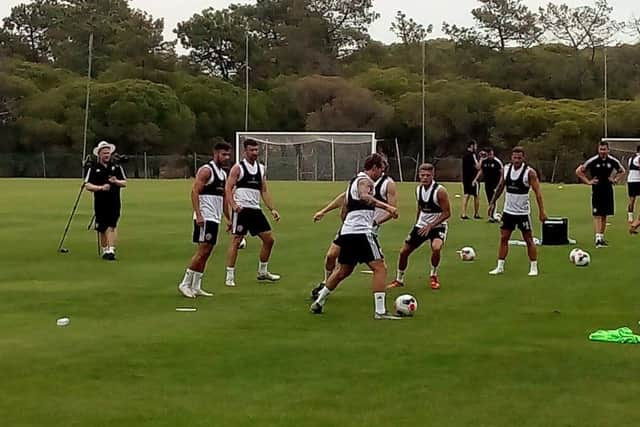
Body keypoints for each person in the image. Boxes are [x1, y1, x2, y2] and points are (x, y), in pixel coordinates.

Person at [309, 153, 399, 319]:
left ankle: (319, 301)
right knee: (380, 268)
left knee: (344, 270)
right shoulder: (365, 181)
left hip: (347, 231)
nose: (382, 173)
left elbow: (346, 202)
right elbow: (365, 197)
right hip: (361, 232)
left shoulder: (354, 181)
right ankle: (380, 311)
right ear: (374, 168)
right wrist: (388, 208)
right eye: (381, 169)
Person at [177, 142, 232, 298]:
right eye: (223, 154)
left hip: (215, 218)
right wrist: (199, 214)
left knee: (207, 251)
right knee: (202, 251)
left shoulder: (223, 174)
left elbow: (223, 198)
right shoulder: (206, 171)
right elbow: (194, 192)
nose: (226, 157)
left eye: (228, 155)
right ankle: (185, 283)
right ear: (215, 153)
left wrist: (228, 219)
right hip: (205, 217)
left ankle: (196, 285)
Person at [224, 139, 281, 287]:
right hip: (242, 209)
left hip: (255, 209)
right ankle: (230, 275)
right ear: (245, 151)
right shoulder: (238, 168)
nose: (255, 153)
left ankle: (263, 271)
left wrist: (272, 209)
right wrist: (234, 206)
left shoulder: (261, 168)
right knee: (236, 240)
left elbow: (264, 190)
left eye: (256, 150)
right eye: (252, 150)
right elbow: (228, 188)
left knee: (269, 239)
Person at [387, 163, 451, 290]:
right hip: (421, 225)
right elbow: (420, 208)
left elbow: (447, 213)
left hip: (438, 225)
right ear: (419, 176)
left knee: (436, 248)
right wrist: (417, 224)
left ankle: (433, 275)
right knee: (404, 251)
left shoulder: (440, 191)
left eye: (428, 175)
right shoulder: (418, 190)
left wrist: (431, 226)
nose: (425, 178)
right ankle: (399, 279)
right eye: (422, 175)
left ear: (433, 175)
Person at [487, 147, 547, 276]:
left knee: (528, 239)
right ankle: (500, 266)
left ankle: (534, 267)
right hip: (508, 212)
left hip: (522, 213)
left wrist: (542, 211)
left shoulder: (529, 173)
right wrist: (492, 203)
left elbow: (538, 193)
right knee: (504, 238)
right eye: (515, 157)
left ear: (523, 158)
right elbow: (500, 187)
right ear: (511, 157)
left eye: (519, 158)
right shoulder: (506, 169)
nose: (517, 160)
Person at [576, 141, 625, 247]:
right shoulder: (593, 160)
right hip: (597, 189)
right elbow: (579, 171)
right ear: (598, 150)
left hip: (608, 189)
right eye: (601, 149)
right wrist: (588, 182)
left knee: (604, 214)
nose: (603, 151)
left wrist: (615, 179)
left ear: (608, 150)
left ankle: (601, 237)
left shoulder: (612, 160)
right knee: (597, 214)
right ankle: (597, 238)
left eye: (604, 149)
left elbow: (622, 171)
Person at [84, 141, 127, 260]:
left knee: (112, 225)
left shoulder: (116, 167)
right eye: (104, 153)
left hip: (114, 201)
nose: (107, 155)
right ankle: (105, 249)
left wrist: (116, 182)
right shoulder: (93, 169)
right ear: (99, 154)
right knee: (102, 228)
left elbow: (124, 183)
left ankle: (111, 250)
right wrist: (100, 188)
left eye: (108, 153)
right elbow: (87, 185)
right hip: (100, 202)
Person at [473, 148, 503, 221]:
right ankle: (493, 215)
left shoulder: (497, 162)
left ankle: (492, 215)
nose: (490, 156)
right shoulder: (484, 161)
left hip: (495, 183)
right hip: (487, 184)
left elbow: (502, 173)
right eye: (489, 154)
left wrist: (500, 183)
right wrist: (475, 179)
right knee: (489, 199)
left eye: (491, 154)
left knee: (493, 199)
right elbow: (479, 169)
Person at [461, 140, 481, 219]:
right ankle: (476, 214)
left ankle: (463, 214)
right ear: (472, 146)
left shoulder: (464, 155)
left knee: (466, 195)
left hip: (465, 178)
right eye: (475, 146)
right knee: (476, 196)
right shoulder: (472, 155)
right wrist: (482, 159)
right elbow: (478, 167)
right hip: (473, 179)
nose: (476, 147)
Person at [626, 146, 640, 224]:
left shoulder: (631, 159)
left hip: (631, 180)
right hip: (638, 180)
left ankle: (630, 217)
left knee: (632, 199)